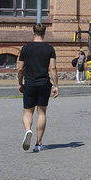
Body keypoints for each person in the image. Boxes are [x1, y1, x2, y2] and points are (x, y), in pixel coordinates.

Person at [17, 24, 59, 153]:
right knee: (42, 113)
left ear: (33, 32)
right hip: (44, 83)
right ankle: (38, 143)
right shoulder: (49, 49)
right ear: (44, 33)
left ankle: (28, 130)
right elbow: (52, 68)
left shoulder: (25, 48)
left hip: (29, 83)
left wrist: (20, 83)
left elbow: (20, 68)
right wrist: (56, 85)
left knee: (27, 112)